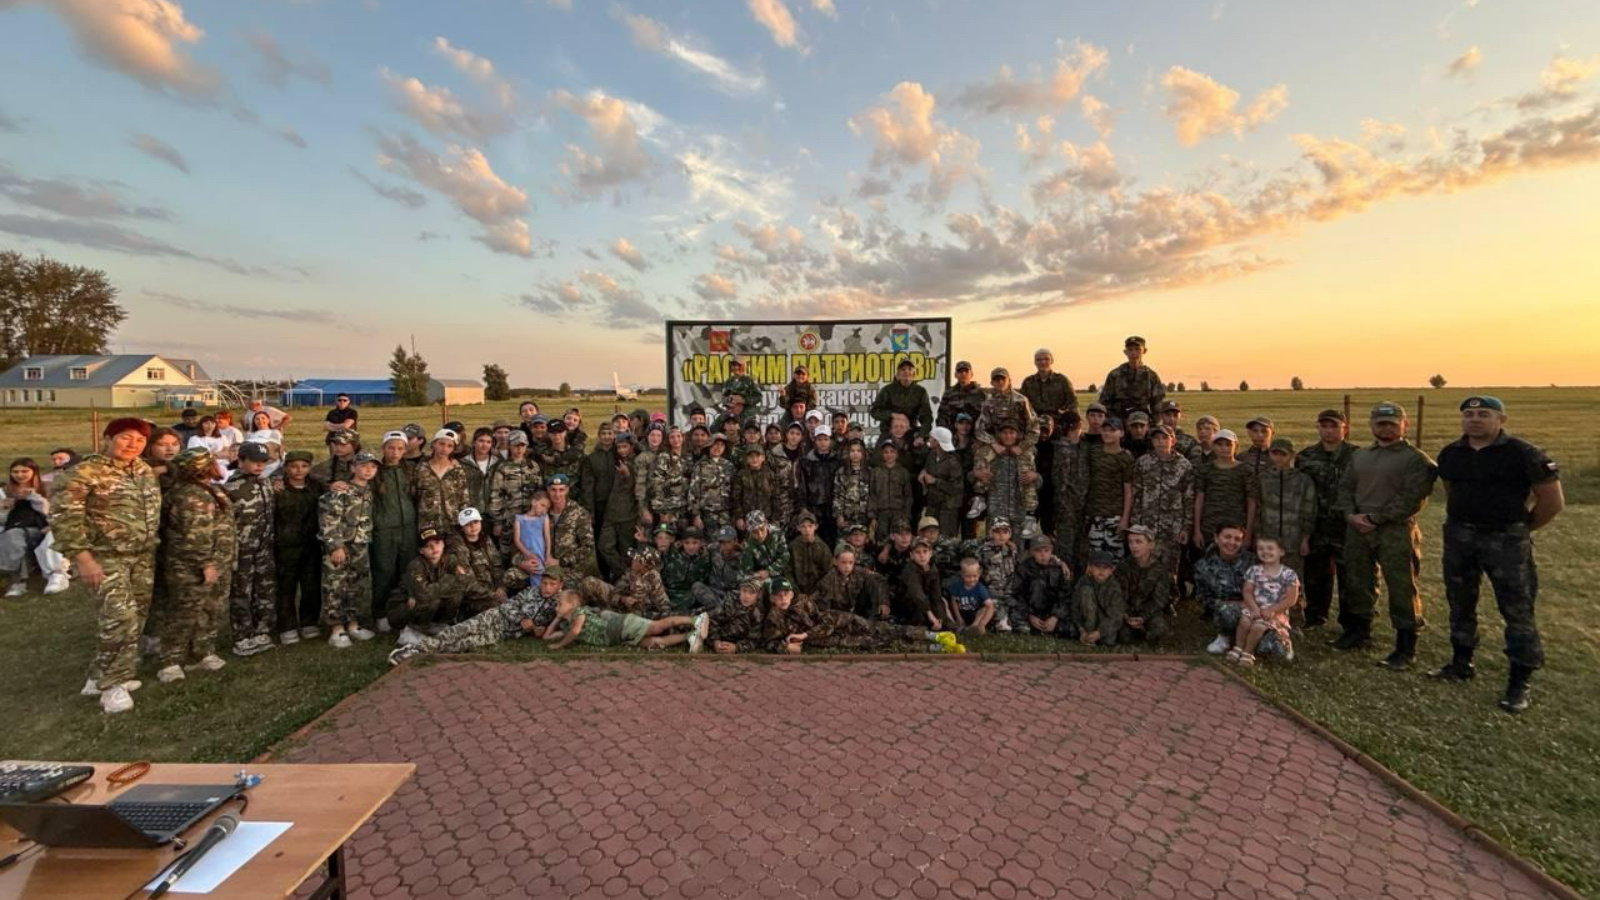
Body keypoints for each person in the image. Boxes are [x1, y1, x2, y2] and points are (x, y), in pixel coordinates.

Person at [1431, 395, 1564, 713]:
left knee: (1516, 608)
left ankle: (1520, 681)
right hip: (1460, 536)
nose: (1475, 420)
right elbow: (1452, 490)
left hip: (1506, 540)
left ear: (1501, 420)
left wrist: (1521, 529)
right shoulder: (1451, 453)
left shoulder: (1523, 453)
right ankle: (1461, 662)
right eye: (1469, 414)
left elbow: (1552, 501)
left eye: (1484, 414)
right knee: (1460, 601)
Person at [53, 418, 162, 713]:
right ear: (108, 438)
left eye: (140, 440)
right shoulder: (83, 472)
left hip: (142, 556)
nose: (133, 445)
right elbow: (65, 519)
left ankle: (99, 675)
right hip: (105, 557)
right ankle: (113, 686)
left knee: (136, 616)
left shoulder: (142, 470)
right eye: (126, 437)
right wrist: (84, 559)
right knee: (119, 617)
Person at [1337, 402, 1438, 668]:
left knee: (1401, 585)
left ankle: (1406, 646)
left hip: (1395, 529)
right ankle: (1359, 632)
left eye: (1392, 424)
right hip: (1358, 527)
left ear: (1404, 425)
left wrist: (1376, 518)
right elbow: (1346, 487)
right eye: (1381, 423)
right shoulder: (1360, 456)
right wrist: (1351, 515)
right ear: (1372, 425)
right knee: (1358, 580)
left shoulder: (1416, 460)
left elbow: (1412, 498)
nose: (1386, 428)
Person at [153, 448, 235, 684]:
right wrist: (206, 563)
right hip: (191, 566)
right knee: (184, 612)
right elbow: (195, 535)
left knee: (210, 609)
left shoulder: (211, 490)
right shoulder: (189, 496)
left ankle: (202, 652)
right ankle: (170, 661)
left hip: (217, 562)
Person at [387, 566, 573, 666]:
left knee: (464, 644)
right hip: (495, 617)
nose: (546, 587)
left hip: (503, 633)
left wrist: (540, 630)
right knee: (459, 631)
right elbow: (508, 606)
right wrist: (522, 619)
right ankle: (416, 649)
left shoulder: (558, 603)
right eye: (544, 583)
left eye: (552, 584)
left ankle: (424, 653)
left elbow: (557, 624)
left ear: (560, 585)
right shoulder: (531, 591)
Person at [764, 577, 962, 654]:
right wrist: (786, 647)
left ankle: (935, 636)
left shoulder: (803, 602)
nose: (783, 598)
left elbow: (827, 620)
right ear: (772, 598)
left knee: (885, 629)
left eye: (786, 594)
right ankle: (937, 648)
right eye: (778, 595)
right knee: (879, 643)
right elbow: (769, 642)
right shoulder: (773, 617)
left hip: (842, 622)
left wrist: (805, 635)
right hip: (833, 639)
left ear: (791, 594)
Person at [1296, 409, 1357, 630]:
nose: (1329, 431)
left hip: (1346, 526)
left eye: (1334, 426)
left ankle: (1351, 623)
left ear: (1345, 429)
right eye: (1324, 426)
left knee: (1350, 576)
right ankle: (1315, 615)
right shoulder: (1306, 457)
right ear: (1318, 428)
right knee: (1316, 574)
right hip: (1317, 525)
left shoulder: (1357, 456)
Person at [319, 451, 380, 648]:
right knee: (335, 585)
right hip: (340, 545)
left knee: (357, 585)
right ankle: (337, 628)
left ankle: (353, 624)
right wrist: (335, 546)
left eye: (372, 467)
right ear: (353, 467)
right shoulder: (341, 491)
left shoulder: (369, 491)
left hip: (360, 545)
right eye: (363, 466)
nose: (368, 470)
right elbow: (328, 520)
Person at [223, 442, 278, 657]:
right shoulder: (231, 488)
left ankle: (262, 630)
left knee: (265, 589)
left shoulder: (266, 483)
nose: (259, 466)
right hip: (242, 551)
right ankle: (242, 636)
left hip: (264, 547)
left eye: (263, 462)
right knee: (241, 592)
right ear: (241, 461)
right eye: (254, 462)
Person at [544, 589, 709, 652]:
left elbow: (575, 632)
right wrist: (558, 618)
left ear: (572, 605)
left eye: (560, 604)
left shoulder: (580, 613)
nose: (556, 607)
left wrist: (559, 646)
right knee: (653, 643)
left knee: (657, 627)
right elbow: (547, 637)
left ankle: (695, 619)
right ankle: (689, 636)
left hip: (621, 626)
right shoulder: (567, 625)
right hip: (617, 638)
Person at [273, 450, 324, 644]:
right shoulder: (278, 489)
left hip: (311, 544)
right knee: (286, 586)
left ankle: (309, 621)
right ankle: (287, 626)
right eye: (294, 466)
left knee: (311, 585)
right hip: (285, 546)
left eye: (304, 466)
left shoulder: (317, 487)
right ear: (286, 468)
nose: (299, 470)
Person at [371, 432, 419, 633]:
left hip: (408, 528)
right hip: (384, 530)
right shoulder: (375, 471)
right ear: (383, 448)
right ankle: (381, 613)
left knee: (408, 570)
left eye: (400, 448)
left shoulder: (411, 470)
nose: (395, 452)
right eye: (391, 448)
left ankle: (403, 612)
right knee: (384, 571)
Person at [1227, 536, 1299, 666]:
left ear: (1281, 552)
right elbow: (1247, 591)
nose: (1265, 551)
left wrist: (1273, 609)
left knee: (1258, 626)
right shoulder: (1254, 570)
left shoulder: (1289, 574)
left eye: (1270, 548)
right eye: (1261, 549)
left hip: (1275, 613)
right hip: (1254, 607)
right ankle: (1237, 648)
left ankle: (1248, 653)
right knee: (1244, 622)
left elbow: (1291, 599)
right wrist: (1254, 607)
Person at [389, 526, 467, 644]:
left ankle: (439, 624)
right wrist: (450, 581)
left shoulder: (450, 560)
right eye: (427, 546)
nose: (434, 548)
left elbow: (464, 580)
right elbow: (424, 594)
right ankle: (414, 628)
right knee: (430, 600)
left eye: (437, 543)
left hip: (430, 606)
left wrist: (448, 585)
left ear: (443, 544)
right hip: (403, 609)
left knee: (456, 596)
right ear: (421, 550)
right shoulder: (416, 566)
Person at [1256, 437, 1316, 578]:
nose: (1278, 458)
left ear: (1292, 455)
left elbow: (1309, 510)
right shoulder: (1262, 479)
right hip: (1268, 540)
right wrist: (1257, 536)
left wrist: (1305, 539)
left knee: (1293, 579)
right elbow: (1258, 509)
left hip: (1293, 541)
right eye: (1274, 453)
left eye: (1283, 454)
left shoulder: (1303, 480)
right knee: (1268, 579)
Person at [1196, 523, 1256, 656]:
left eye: (1237, 539)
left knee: (1271, 649)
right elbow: (1203, 599)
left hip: (1254, 610)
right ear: (1216, 538)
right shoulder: (1203, 566)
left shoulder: (1252, 562)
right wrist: (1234, 605)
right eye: (1227, 537)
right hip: (1224, 612)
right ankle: (1225, 637)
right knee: (1226, 612)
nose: (1232, 542)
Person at [1193, 429, 1257, 552]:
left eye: (1228, 444)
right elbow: (1199, 499)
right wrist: (1197, 530)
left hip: (1236, 529)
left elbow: (1251, 502)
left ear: (1236, 446)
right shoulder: (1205, 470)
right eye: (1219, 444)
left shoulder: (1245, 471)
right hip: (1210, 528)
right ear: (1213, 446)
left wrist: (1248, 534)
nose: (1224, 448)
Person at [1082, 417, 1135, 559]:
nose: (1107, 433)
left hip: (1115, 515)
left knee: (1115, 557)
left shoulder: (1126, 457)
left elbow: (1128, 490)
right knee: (1095, 556)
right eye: (1104, 430)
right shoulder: (1093, 452)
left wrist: (1125, 518)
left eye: (1112, 430)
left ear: (1121, 433)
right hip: (1094, 513)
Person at [0, 459, 54, 596]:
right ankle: (17, 582)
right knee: (14, 538)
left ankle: (14, 581)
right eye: (15, 472)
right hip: (11, 527)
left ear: (34, 472)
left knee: (13, 536)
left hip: (40, 528)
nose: (19, 475)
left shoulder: (47, 488)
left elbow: (48, 512)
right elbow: (2, 520)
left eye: (24, 471)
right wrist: (4, 509)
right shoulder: (5, 491)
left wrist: (33, 497)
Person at [489, 431, 541, 560]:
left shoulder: (533, 467)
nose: (519, 449)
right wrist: (497, 522)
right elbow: (496, 494)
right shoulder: (502, 467)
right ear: (509, 446)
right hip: (509, 520)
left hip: (530, 519)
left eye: (522, 445)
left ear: (526, 446)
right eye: (515, 445)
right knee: (506, 554)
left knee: (531, 551)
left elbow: (540, 493)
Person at [1118, 525, 1170, 645]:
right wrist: (1127, 615)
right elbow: (1118, 595)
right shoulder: (1123, 566)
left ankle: (1144, 633)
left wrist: (1143, 617)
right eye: (1130, 542)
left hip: (1149, 613)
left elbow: (1160, 600)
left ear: (1151, 545)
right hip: (1127, 613)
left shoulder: (1160, 569)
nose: (1134, 546)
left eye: (1138, 542)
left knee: (1159, 631)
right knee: (1122, 636)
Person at [414, 429, 470, 534]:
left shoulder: (457, 470)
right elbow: (414, 497)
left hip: (453, 525)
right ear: (434, 444)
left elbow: (464, 499)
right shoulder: (421, 469)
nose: (444, 449)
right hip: (428, 526)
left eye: (450, 446)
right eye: (441, 444)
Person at [1017, 534, 1074, 637]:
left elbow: (1065, 596)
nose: (1043, 555)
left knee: (1070, 629)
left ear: (1051, 551)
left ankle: (1048, 626)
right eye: (1038, 551)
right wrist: (1030, 615)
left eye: (1046, 551)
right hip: (1032, 612)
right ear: (1031, 552)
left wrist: (1055, 617)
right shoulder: (1025, 568)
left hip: (1053, 613)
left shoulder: (1059, 569)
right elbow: (1019, 595)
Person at [1098, 335, 1164, 422]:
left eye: (1137, 349)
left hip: (1142, 421)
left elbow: (1158, 406)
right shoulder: (1115, 375)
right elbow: (1104, 402)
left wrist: (1153, 424)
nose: (1133, 353)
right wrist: (1111, 421)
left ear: (1144, 351)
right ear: (1125, 352)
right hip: (1118, 420)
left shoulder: (1151, 376)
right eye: (1130, 350)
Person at [546, 474, 598, 577]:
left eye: (561, 490)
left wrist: (561, 562)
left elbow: (588, 547)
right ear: (548, 490)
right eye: (553, 490)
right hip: (546, 566)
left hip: (571, 570)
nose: (557, 494)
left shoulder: (579, 513)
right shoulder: (542, 511)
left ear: (567, 490)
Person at [1072, 551, 1125, 647]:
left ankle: (1093, 637)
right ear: (1090, 568)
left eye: (1105, 568)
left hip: (1103, 625)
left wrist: (1099, 633)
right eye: (1097, 566)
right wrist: (1081, 630)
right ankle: (1086, 634)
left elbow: (1116, 616)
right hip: (1085, 623)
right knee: (1086, 590)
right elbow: (1074, 607)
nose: (1101, 570)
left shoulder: (1114, 587)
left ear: (1111, 571)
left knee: (1109, 641)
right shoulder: (1083, 581)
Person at [870, 358, 934, 436]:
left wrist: (921, 435)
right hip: (889, 432)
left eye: (910, 369)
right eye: (903, 369)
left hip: (911, 433)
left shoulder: (921, 392)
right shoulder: (887, 390)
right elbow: (874, 411)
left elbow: (927, 417)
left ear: (914, 374)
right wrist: (893, 415)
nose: (906, 371)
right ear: (898, 374)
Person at [868, 443, 914, 542]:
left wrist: (906, 516)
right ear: (882, 454)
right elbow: (872, 495)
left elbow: (908, 496)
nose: (889, 455)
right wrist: (873, 517)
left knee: (899, 541)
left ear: (897, 454)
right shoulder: (875, 472)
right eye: (886, 452)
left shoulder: (903, 472)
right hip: (881, 515)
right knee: (881, 542)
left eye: (892, 452)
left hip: (899, 514)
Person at [1020, 348, 1077, 419]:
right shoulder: (1028, 382)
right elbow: (1021, 404)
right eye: (1039, 360)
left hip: (1058, 419)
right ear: (1035, 362)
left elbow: (1073, 402)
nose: (1043, 362)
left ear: (1052, 361)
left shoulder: (1062, 380)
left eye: (1046, 359)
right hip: (1034, 420)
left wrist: (1069, 415)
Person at [513, 491, 552, 591]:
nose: (544, 510)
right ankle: (535, 593)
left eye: (547, 508)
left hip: (540, 552)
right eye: (542, 505)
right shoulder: (519, 519)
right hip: (527, 554)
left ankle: (543, 592)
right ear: (534, 502)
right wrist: (528, 554)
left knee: (542, 572)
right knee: (534, 571)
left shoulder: (544, 518)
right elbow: (517, 540)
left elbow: (547, 537)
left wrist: (547, 555)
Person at [945, 557, 995, 634]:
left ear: (979, 574)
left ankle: (974, 627)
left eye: (975, 576)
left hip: (974, 614)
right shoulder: (957, 586)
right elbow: (954, 602)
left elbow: (990, 606)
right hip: (961, 613)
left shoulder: (980, 588)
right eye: (968, 576)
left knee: (984, 608)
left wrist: (983, 623)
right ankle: (957, 626)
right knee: (945, 603)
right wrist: (959, 618)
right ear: (962, 574)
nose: (972, 579)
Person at [789, 511, 832, 596]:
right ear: (798, 528)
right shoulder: (793, 546)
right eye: (803, 526)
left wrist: (817, 593)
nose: (807, 530)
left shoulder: (823, 547)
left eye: (810, 526)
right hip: (797, 592)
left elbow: (828, 573)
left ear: (816, 526)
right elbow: (788, 571)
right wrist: (796, 592)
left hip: (818, 592)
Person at [463, 427, 500, 515]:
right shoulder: (463, 463)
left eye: (488, 442)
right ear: (474, 442)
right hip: (472, 514)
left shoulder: (498, 463)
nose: (484, 445)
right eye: (481, 441)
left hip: (494, 514)